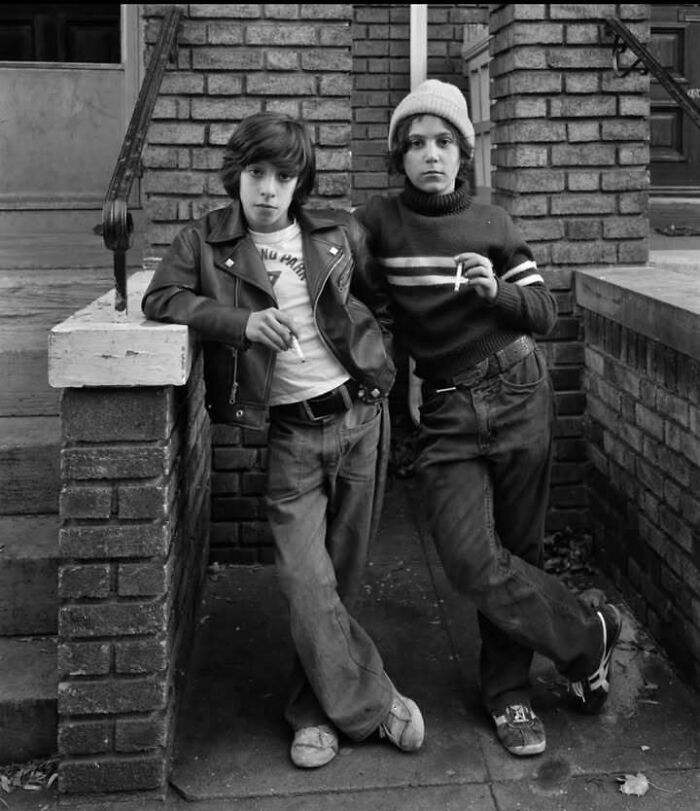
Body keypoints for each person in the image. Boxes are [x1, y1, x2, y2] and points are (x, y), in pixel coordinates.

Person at [141, 111, 424, 769]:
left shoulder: (336, 231)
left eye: (283, 176)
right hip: (293, 436)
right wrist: (239, 322)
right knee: (305, 580)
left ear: (300, 182)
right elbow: (162, 300)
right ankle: (373, 706)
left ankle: (311, 713)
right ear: (237, 175)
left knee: (341, 579)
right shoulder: (205, 242)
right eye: (257, 173)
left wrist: (380, 369)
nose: (269, 188)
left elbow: (379, 303)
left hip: (361, 419)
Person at [351, 80, 622, 758]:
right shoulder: (379, 223)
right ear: (398, 155)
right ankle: (589, 634)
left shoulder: (494, 223)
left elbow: (543, 313)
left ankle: (509, 693)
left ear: (464, 153)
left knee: (520, 549)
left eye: (444, 142)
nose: (431, 155)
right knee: (473, 561)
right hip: (446, 407)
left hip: (518, 389)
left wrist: (494, 289)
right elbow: (360, 297)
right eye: (416, 143)